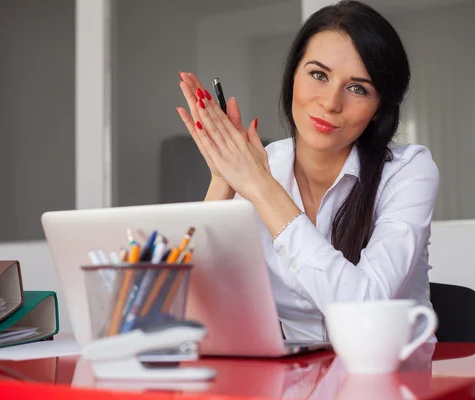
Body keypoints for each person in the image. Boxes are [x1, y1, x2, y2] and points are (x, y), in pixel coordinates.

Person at [175, 0, 439, 341]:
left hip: (396, 376)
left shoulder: (408, 171)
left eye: (358, 88)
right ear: (293, 77)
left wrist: (261, 186)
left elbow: (363, 308)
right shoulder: (259, 165)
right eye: (318, 75)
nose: (331, 102)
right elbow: (188, 309)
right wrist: (223, 180)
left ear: (378, 109)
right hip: (296, 383)